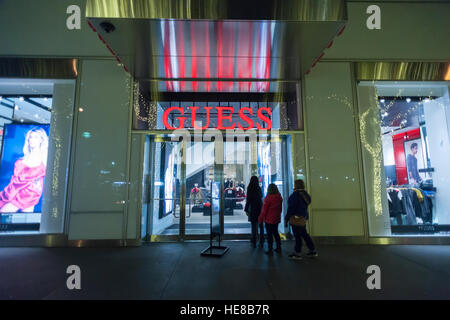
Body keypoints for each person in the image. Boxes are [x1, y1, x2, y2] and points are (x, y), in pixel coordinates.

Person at [0, 128, 48, 213]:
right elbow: (14, 179)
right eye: (30, 137)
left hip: (29, 195)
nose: (32, 140)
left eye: (36, 137)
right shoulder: (21, 160)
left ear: (41, 140)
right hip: (15, 193)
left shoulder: (43, 160)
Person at [285, 179, 317, 260]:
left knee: (297, 236)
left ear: (296, 185)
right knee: (304, 234)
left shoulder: (295, 196)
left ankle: (297, 253)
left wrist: (286, 218)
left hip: (295, 218)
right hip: (303, 218)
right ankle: (312, 250)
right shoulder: (306, 195)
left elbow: (291, 208)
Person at [258, 183, 283, 254]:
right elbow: (280, 209)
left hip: (269, 219)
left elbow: (264, 210)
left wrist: (260, 218)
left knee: (269, 235)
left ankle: (270, 249)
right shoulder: (279, 197)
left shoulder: (268, 198)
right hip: (276, 218)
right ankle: (278, 247)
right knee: (276, 233)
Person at [244, 176, 264, 248]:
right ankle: (262, 240)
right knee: (261, 225)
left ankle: (254, 240)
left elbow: (248, 199)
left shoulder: (250, 188)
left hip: (253, 208)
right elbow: (261, 197)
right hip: (260, 208)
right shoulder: (258, 188)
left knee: (254, 225)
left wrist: (246, 209)